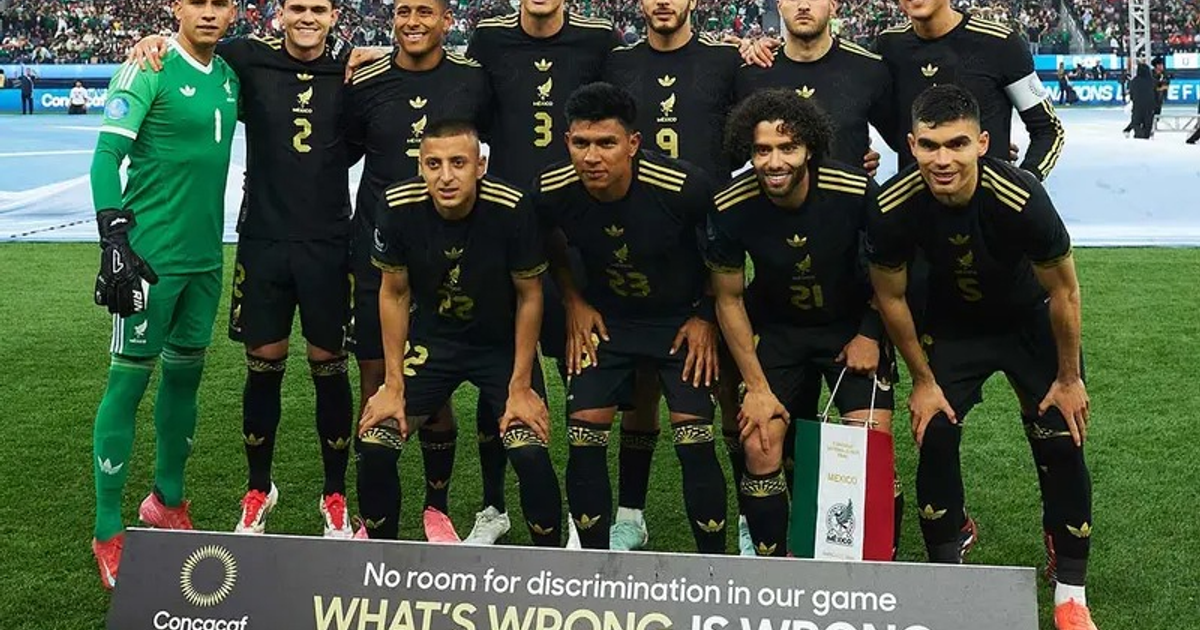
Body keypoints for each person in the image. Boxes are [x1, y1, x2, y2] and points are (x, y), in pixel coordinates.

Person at [867, 85, 1096, 630]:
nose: (942, 159)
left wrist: (1068, 377)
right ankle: (948, 578)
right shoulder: (892, 205)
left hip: (1026, 323)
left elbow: (1064, 292)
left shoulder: (1020, 196)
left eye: (957, 144)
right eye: (929, 146)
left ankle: (1070, 594)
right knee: (936, 433)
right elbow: (891, 297)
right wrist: (922, 380)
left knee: (1062, 439)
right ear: (911, 144)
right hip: (951, 326)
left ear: (983, 143)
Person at [127, 0, 358, 539]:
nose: (308, 17)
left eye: (318, 9)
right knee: (264, 365)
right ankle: (259, 488)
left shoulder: (352, 70)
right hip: (263, 241)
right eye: (297, 7)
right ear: (280, 15)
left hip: (328, 243)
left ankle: (335, 494)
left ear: (333, 16)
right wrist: (155, 40)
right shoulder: (246, 60)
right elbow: (192, 48)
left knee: (330, 366)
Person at [534, 83, 726, 553]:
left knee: (694, 438)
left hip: (678, 321)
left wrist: (705, 315)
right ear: (567, 143)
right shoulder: (551, 191)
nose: (592, 157)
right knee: (583, 431)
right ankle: (596, 566)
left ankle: (715, 569)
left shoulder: (684, 187)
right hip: (609, 322)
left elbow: (724, 256)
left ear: (634, 144)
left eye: (607, 143)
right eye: (581, 144)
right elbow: (549, 244)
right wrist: (574, 300)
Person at [88, 0, 240, 590]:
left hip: (206, 259)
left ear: (233, 11)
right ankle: (107, 528)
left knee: (185, 379)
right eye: (196, 1)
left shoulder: (228, 76)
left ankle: (166, 501)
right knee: (127, 381)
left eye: (220, 2)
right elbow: (106, 156)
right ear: (176, 6)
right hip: (150, 262)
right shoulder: (147, 66)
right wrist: (114, 238)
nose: (208, 12)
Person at [357, 119, 563, 547]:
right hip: (435, 342)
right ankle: (378, 564)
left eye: (458, 163)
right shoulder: (396, 204)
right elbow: (393, 294)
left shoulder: (512, 207)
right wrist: (392, 383)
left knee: (528, 448)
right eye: (433, 164)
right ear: (420, 166)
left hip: (499, 344)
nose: (445, 176)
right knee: (375, 443)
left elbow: (530, 296)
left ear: (480, 166)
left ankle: (551, 567)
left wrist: (522, 383)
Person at [709, 89, 896, 558]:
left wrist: (870, 334)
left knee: (868, 446)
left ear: (809, 147)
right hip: (779, 333)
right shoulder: (731, 204)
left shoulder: (853, 191)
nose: (774, 161)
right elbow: (729, 298)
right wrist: (755, 385)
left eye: (787, 148)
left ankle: (872, 569)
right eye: (762, 150)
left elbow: (891, 278)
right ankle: (776, 573)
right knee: (761, 440)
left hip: (850, 328)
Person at [600, 0, 745, 553]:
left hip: (711, 244)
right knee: (641, 382)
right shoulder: (615, 63)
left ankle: (748, 518)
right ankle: (630, 515)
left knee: (727, 383)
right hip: (633, 246)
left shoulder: (727, 61)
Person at [347, 0, 493, 543]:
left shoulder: (473, 80)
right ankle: (373, 517)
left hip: (448, 255)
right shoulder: (365, 81)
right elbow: (343, 148)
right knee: (374, 379)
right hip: (375, 250)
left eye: (424, 11)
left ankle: (437, 507)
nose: (412, 20)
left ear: (446, 20)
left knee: (436, 381)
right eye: (403, 10)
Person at [873, 0, 1064, 181]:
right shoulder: (888, 46)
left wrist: (1026, 181)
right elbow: (878, 117)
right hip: (915, 204)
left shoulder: (1001, 44)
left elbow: (1048, 129)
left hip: (989, 207)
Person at [734, 0, 897, 174]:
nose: (803, 5)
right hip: (773, 198)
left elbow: (904, 140)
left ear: (833, 6)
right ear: (780, 6)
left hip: (849, 198)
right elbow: (733, 154)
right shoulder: (751, 74)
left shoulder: (869, 69)